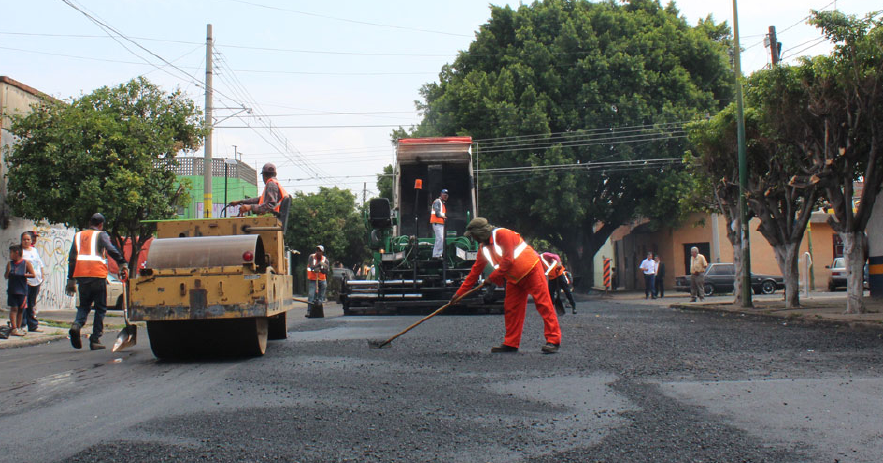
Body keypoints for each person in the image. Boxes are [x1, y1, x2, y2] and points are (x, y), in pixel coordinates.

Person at [453, 218, 561, 354]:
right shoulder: (483, 249)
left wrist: (491, 278)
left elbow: (508, 260)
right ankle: (511, 343)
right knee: (511, 309)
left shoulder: (503, 235)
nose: (473, 239)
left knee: (543, 304)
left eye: (473, 236)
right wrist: (459, 294)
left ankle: (553, 340)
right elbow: (475, 272)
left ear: (480, 233)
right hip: (514, 278)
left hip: (531, 270)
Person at [65, 213, 128, 350]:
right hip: (98, 276)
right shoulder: (101, 235)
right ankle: (95, 339)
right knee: (100, 308)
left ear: (89, 222)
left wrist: (71, 279)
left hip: (82, 276)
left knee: (84, 306)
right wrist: (121, 261)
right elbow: (110, 249)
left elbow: (72, 258)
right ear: (101, 224)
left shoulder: (78, 236)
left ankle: (77, 324)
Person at [5, 245, 35, 337]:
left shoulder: (26, 263)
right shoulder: (10, 264)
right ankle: (14, 328)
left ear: (16, 253)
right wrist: (9, 272)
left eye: (11, 253)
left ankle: (19, 327)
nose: (10, 255)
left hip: (22, 290)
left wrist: (24, 275)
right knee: (13, 308)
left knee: (21, 310)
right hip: (12, 290)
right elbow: (6, 276)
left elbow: (33, 274)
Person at [21, 231, 46, 333]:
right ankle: (22, 324)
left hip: (36, 280)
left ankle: (32, 325)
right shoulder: (20, 252)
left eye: (28, 239)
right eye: (24, 239)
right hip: (26, 281)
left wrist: (42, 274)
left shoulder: (34, 250)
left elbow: (39, 263)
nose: (26, 241)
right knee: (24, 303)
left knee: (32, 303)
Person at [306, 245, 330, 318]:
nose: (318, 252)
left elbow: (326, 271)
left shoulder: (325, 260)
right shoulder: (311, 257)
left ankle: (318, 308)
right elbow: (312, 267)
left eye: (319, 251)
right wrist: (319, 264)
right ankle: (309, 311)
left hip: (322, 279)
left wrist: (323, 270)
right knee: (311, 295)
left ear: (322, 252)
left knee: (321, 295)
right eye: (317, 250)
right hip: (313, 279)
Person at [430, 189, 449, 259]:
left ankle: (436, 255)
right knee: (440, 239)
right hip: (437, 223)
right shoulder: (438, 201)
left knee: (439, 239)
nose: (445, 197)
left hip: (440, 223)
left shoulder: (441, 203)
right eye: (444, 195)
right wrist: (443, 216)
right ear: (441, 194)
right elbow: (437, 212)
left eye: (446, 195)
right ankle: (437, 255)